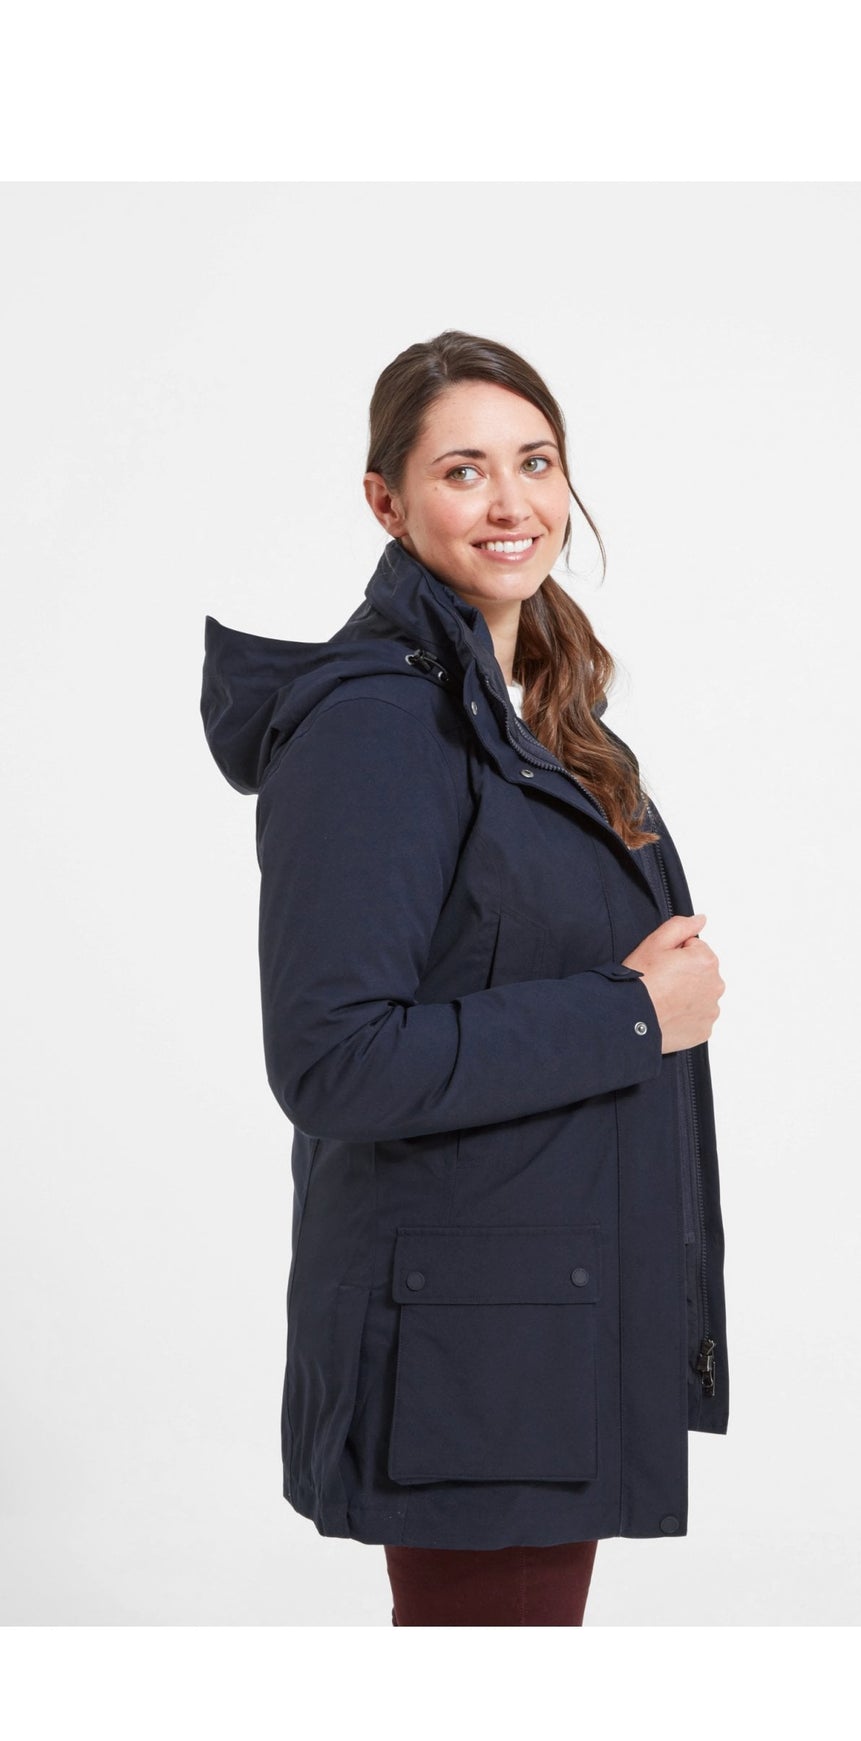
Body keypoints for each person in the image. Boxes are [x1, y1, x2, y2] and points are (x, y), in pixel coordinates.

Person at [199, 329, 729, 1626]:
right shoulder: (377, 725)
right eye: (462, 470)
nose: (511, 503)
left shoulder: (533, 712)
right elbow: (334, 1060)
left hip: (539, 1317)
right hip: (477, 1346)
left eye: (535, 462)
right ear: (385, 502)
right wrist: (630, 1016)